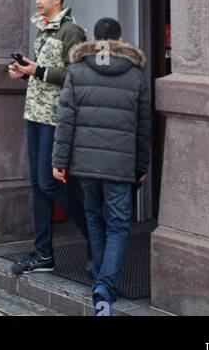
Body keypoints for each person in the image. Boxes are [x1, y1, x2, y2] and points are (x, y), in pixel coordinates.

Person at [52, 16, 151, 316]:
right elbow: (143, 127)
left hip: (85, 164)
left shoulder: (78, 71)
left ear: (93, 40)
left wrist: (59, 161)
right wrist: (141, 163)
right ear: (119, 41)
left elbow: (65, 119)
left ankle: (99, 275)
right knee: (119, 225)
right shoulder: (136, 76)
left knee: (94, 218)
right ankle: (105, 286)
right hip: (120, 166)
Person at [7, 0, 89, 275]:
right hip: (35, 115)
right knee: (37, 185)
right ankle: (43, 255)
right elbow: (45, 73)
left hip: (56, 118)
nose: (38, 1)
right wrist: (25, 72)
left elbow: (77, 75)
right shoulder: (42, 30)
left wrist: (38, 70)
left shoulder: (73, 32)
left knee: (49, 183)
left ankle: (94, 233)